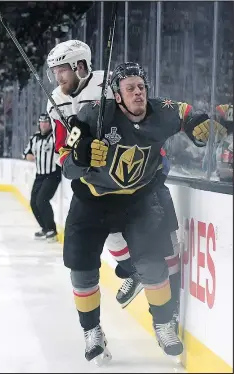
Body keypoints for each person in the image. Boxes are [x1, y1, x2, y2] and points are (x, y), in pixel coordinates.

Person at [57, 61, 222, 365]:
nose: (138, 93)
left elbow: (187, 115)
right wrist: (82, 158)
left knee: (151, 263)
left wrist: (198, 123)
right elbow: (66, 164)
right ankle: (92, 330)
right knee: (81, 270)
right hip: (92, 201)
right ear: (117, 96)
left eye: (141, 87)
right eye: (130, 88)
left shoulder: (162, 111)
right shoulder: (93, 115)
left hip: (137, 201)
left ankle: (162, 324)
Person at [46, 40, 179, 313]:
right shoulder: (56, 101)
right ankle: (134, 272)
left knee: (163, 238)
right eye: (54, 72)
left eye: (62, 70)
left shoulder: (111, 84)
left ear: (80, 67)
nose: (58, 78)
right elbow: (64, 147)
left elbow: (145, 113)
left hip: (143, 172)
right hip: (101, 178)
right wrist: (76, 159)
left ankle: (169, 304)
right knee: (112, 234)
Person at [23, 113, 61, 242]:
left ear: (50, 124)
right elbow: (27, 153)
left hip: (52, 174)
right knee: (33, 203)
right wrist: (31, 157)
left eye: (46, 122)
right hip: (39, 174)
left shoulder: (54, 137)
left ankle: (52, 229)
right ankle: (44, 228)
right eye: (41, 122)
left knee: (42, 200)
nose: (43, 124)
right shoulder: (35, 138)